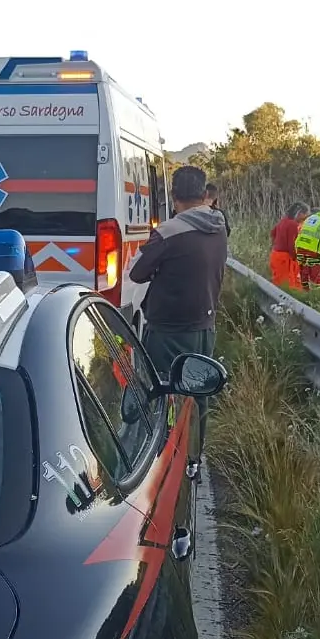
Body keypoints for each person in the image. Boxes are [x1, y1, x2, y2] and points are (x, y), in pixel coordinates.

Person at [129, 165, 228, 463]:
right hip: (205, 325)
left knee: (161, 390)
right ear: (204, 194)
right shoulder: (219, 224)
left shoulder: (170, 231)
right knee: (200, 393)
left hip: (168, 329)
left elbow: (137, 273)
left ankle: (161, 457)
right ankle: (194, 456)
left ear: (174, 196)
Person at [268, 204, 304, 288]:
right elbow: (291, 245)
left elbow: (272, 234)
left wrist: (275, 245)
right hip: (285, 258)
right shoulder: (293, 224)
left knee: (277, 283)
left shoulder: (283, 221)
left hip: (275, 255)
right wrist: (296, 258)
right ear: (299, 213)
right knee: (287, 286)